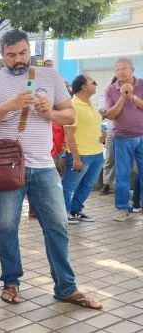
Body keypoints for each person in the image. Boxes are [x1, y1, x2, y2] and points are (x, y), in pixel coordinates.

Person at [0, 28, 101, 309]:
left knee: (58, 225)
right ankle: (11, 282)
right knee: (6, 227)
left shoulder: (49, 77)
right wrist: (7, 106)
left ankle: (66, 287)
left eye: (22, 53)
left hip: (44, 166)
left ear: (29, 50)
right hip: (7, 166)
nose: (18, 59)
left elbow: (68, 116)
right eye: (11, 55)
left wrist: (49, 113)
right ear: (1, 55)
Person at [102, 58, 143, 221]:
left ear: (132, 70)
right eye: (117, 70)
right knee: (122, 174)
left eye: (124, 69)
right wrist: (122, 97)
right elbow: (109, 114)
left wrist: (132, 97)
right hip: (122, 137)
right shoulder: (111, 89)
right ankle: (122, 208)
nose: (120, 72)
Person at [61, 74, 104, 224]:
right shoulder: (73, 106)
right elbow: (69, 134)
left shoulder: (91, 103)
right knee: (69, 186)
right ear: (84, 87)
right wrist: (76, 158)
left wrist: (102, 133)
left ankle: (75, 210)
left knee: (87, 185)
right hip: (81, 155)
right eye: (93, 82)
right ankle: (63, 214)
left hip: (97, 153)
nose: (96, 85)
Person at [100, 77, 118, 195]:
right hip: (112, 130)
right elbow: (102, 110)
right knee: (110, 158)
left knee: (126, 161)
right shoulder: (109, 90)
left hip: (129, 132)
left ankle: (120, 185)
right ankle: (106, 184)